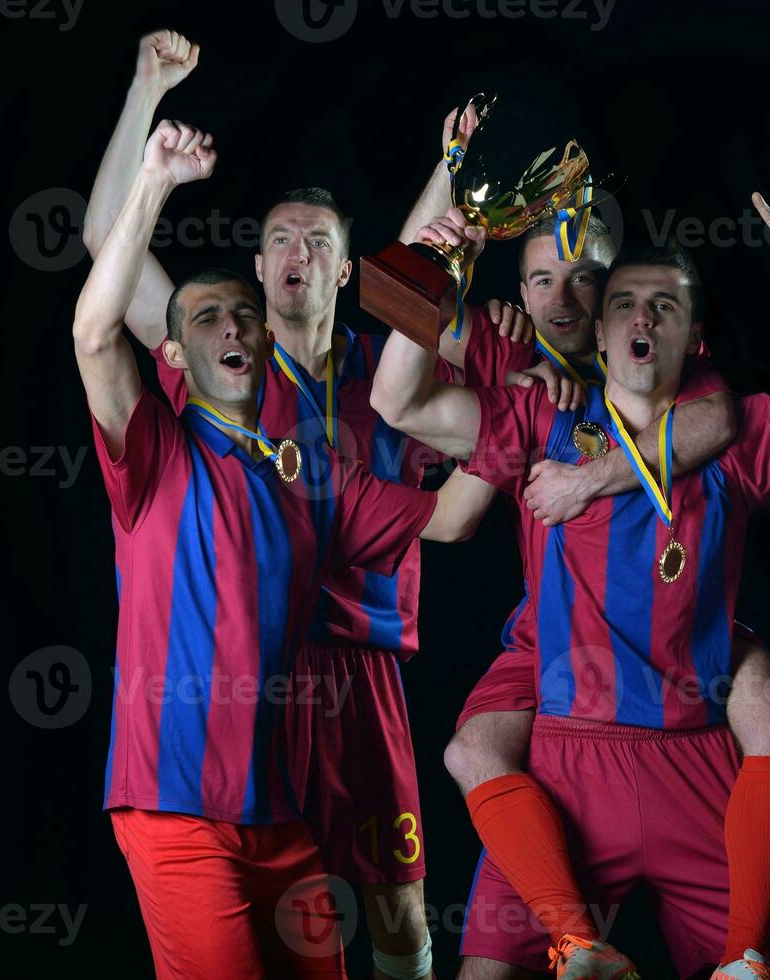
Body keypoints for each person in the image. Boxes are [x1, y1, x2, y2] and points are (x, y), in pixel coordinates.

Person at [371, 193, 770, 978]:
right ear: (599, 327)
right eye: (621, 302)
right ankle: (581, 949)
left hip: (694, 754)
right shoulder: (538, 413)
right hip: (565, 752)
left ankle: (745, 956)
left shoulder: (734, 435)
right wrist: (432, 264)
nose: (638, 316)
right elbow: (398, 402)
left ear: (695, 339)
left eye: (664, 304)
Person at [75, 119, 485, 979]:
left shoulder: (386, 382)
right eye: (278, 241)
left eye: (318, 243)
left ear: (346, 270)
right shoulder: (198, 406)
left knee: (395, 911)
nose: (296, 253)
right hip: (249, 696)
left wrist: (452, 172)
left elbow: (419, 280)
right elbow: (101, 281)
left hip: (358, 674)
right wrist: (150, 122)